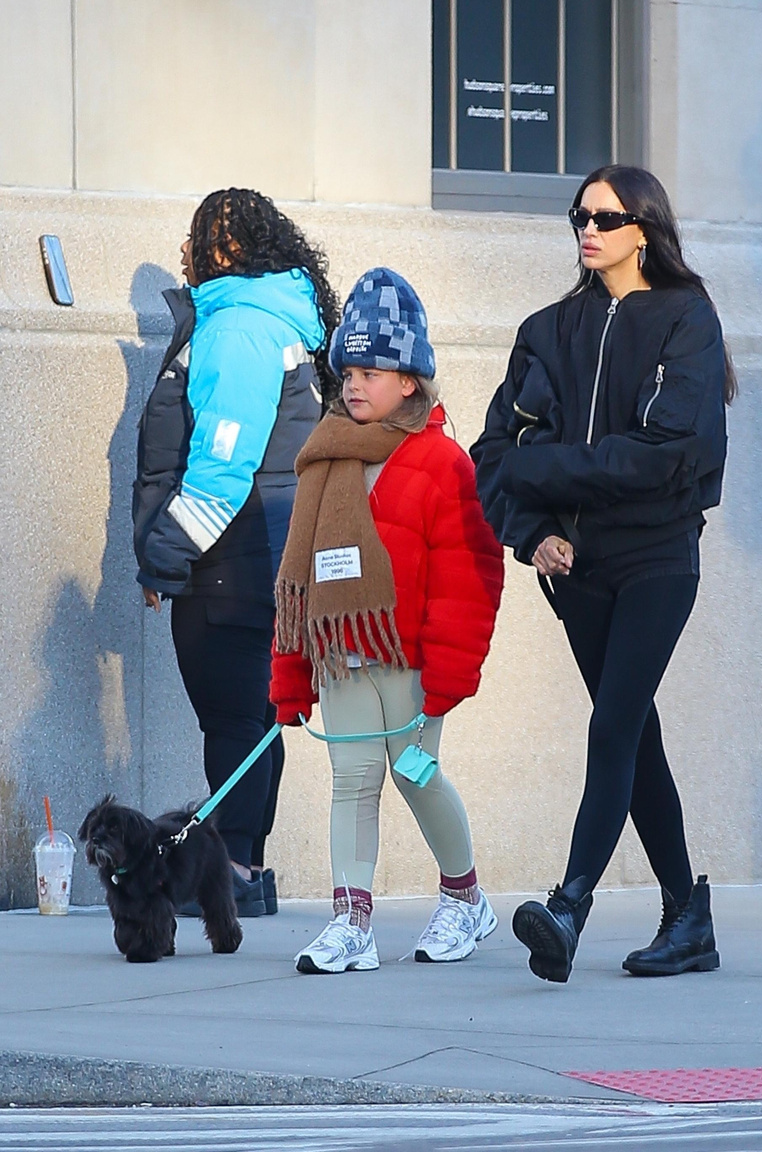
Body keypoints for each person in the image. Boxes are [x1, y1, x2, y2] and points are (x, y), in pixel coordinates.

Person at [471, 165, 736, 984]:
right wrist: (534, 534)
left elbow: (671, 454)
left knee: (614, 723)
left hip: (658, 557)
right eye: (579, 215)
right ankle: (687, 916)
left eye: (606, 217)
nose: (588, 229)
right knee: (632, 731)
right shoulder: (547, 330)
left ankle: (569, 905)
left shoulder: (686, 319)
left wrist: (546, 471)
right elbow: (493, 456)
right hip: (577, 568)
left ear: (644, 229)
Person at [270, 268, 504, 972]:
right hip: (340, 657)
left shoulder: (442, 462)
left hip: (410, 662)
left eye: (370, 372)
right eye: (348, 371)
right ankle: (352, 923)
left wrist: (449, 673)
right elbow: (299, 583)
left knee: (415, 774)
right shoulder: (322, 459)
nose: (354, 385)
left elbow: (468, 575)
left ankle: (464, 899)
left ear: (408, 381)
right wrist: (290, 678)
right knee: (352, 782)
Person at [133, 187, 338, 916]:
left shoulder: (239, 327)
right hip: (264, 553)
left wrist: (164, 557)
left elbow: (221, 468)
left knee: (233, 720)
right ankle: (248, 869)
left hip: (230, 555)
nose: (183, 252)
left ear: (223, 248)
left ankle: (236, 874)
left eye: (193, 238)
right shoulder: (272, 316)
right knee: (253, 715)